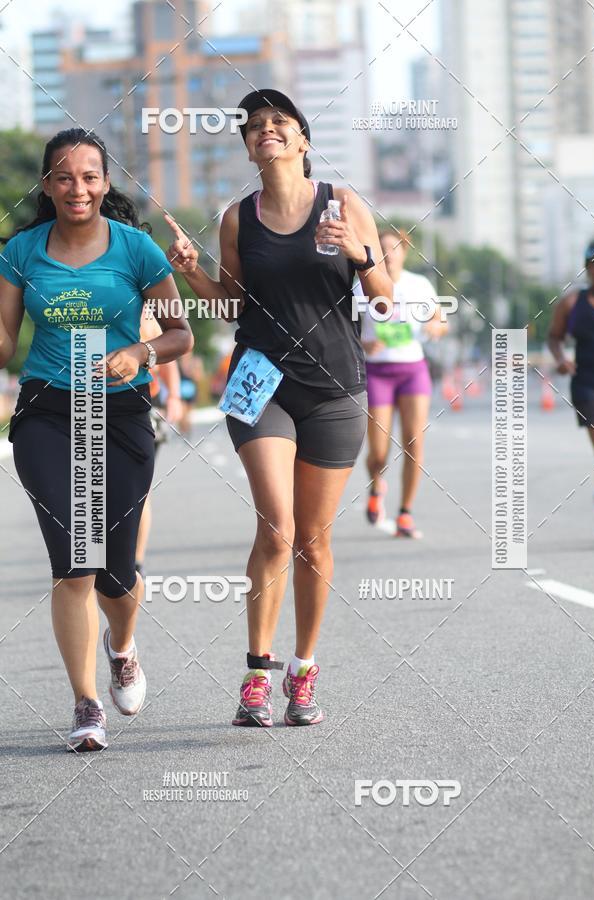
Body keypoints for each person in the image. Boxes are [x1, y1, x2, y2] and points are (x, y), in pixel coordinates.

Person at [166, 88, 392, 727]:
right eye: (255, 125)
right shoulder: (238, 218)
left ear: (302, 141)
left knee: (314, 543)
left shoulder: (345, 204)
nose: (266, 130)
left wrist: (360, 253)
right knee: (277, 527)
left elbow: (383, 301)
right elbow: (232, 300)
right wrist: (191, 272)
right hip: (260, 381)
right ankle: (257, 672)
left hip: (334, 387)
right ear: (247, 146)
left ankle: (304, 669)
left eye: (280, 122)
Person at [0, 128, 193, 751]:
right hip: (48, 412)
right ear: (47, 185)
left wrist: (140, 351)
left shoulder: (136, 249)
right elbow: (5, 344)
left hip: (120, 411)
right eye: (63, 176)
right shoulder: (21, 251)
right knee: (73, 561)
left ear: (105, 183)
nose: (76, 187)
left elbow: (180, 335)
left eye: (89, 176)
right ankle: (86, 704)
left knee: (115, 571)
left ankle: (123, 644)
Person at [362, 229, 447, 538]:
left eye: (394, 249)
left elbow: (440, 320)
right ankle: (376, 485)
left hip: (412, 369)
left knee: (414, 443)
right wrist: (362, 343)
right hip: (377, 372)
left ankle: (405, 512)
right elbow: (343, 328)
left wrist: (436, 327)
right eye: (382, 248)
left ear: (403, 253)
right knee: (379, 452)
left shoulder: (418, 284)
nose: (388, 254)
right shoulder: (363, 284)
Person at [548, 239, 594, 530]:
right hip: (588, 386)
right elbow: (554, 336)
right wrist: (561, 359)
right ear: (587, 267)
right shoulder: (572, 302)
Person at [135, 311, 184, 576]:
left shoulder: (146, 314)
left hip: (142, 406)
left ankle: (135, 562)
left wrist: (174, 396)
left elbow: (167, 358)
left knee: (138, 490)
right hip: (93, 403)